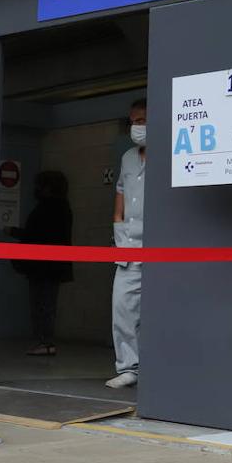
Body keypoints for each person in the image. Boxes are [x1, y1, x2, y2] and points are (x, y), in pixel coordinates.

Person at [8, 171, 73, 357]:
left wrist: (13, 232)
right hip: (53, 266)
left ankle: (44, 341)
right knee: (47, 304)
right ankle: (45, 341)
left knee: (41, 305)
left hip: (43, 266)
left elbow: (35, 235)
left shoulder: (47, 208)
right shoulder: (64, 207)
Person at [108, 98, 146, 389]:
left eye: (143, 121)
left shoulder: (173, 153)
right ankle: (129, 367)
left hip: (160, 248)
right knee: (123, 307)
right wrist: (118, 222)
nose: (138, 127)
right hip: (128, 245)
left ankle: (154, 366)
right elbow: (120, 189)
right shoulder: (128, 157)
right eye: (134, 122)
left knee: (154, 310)